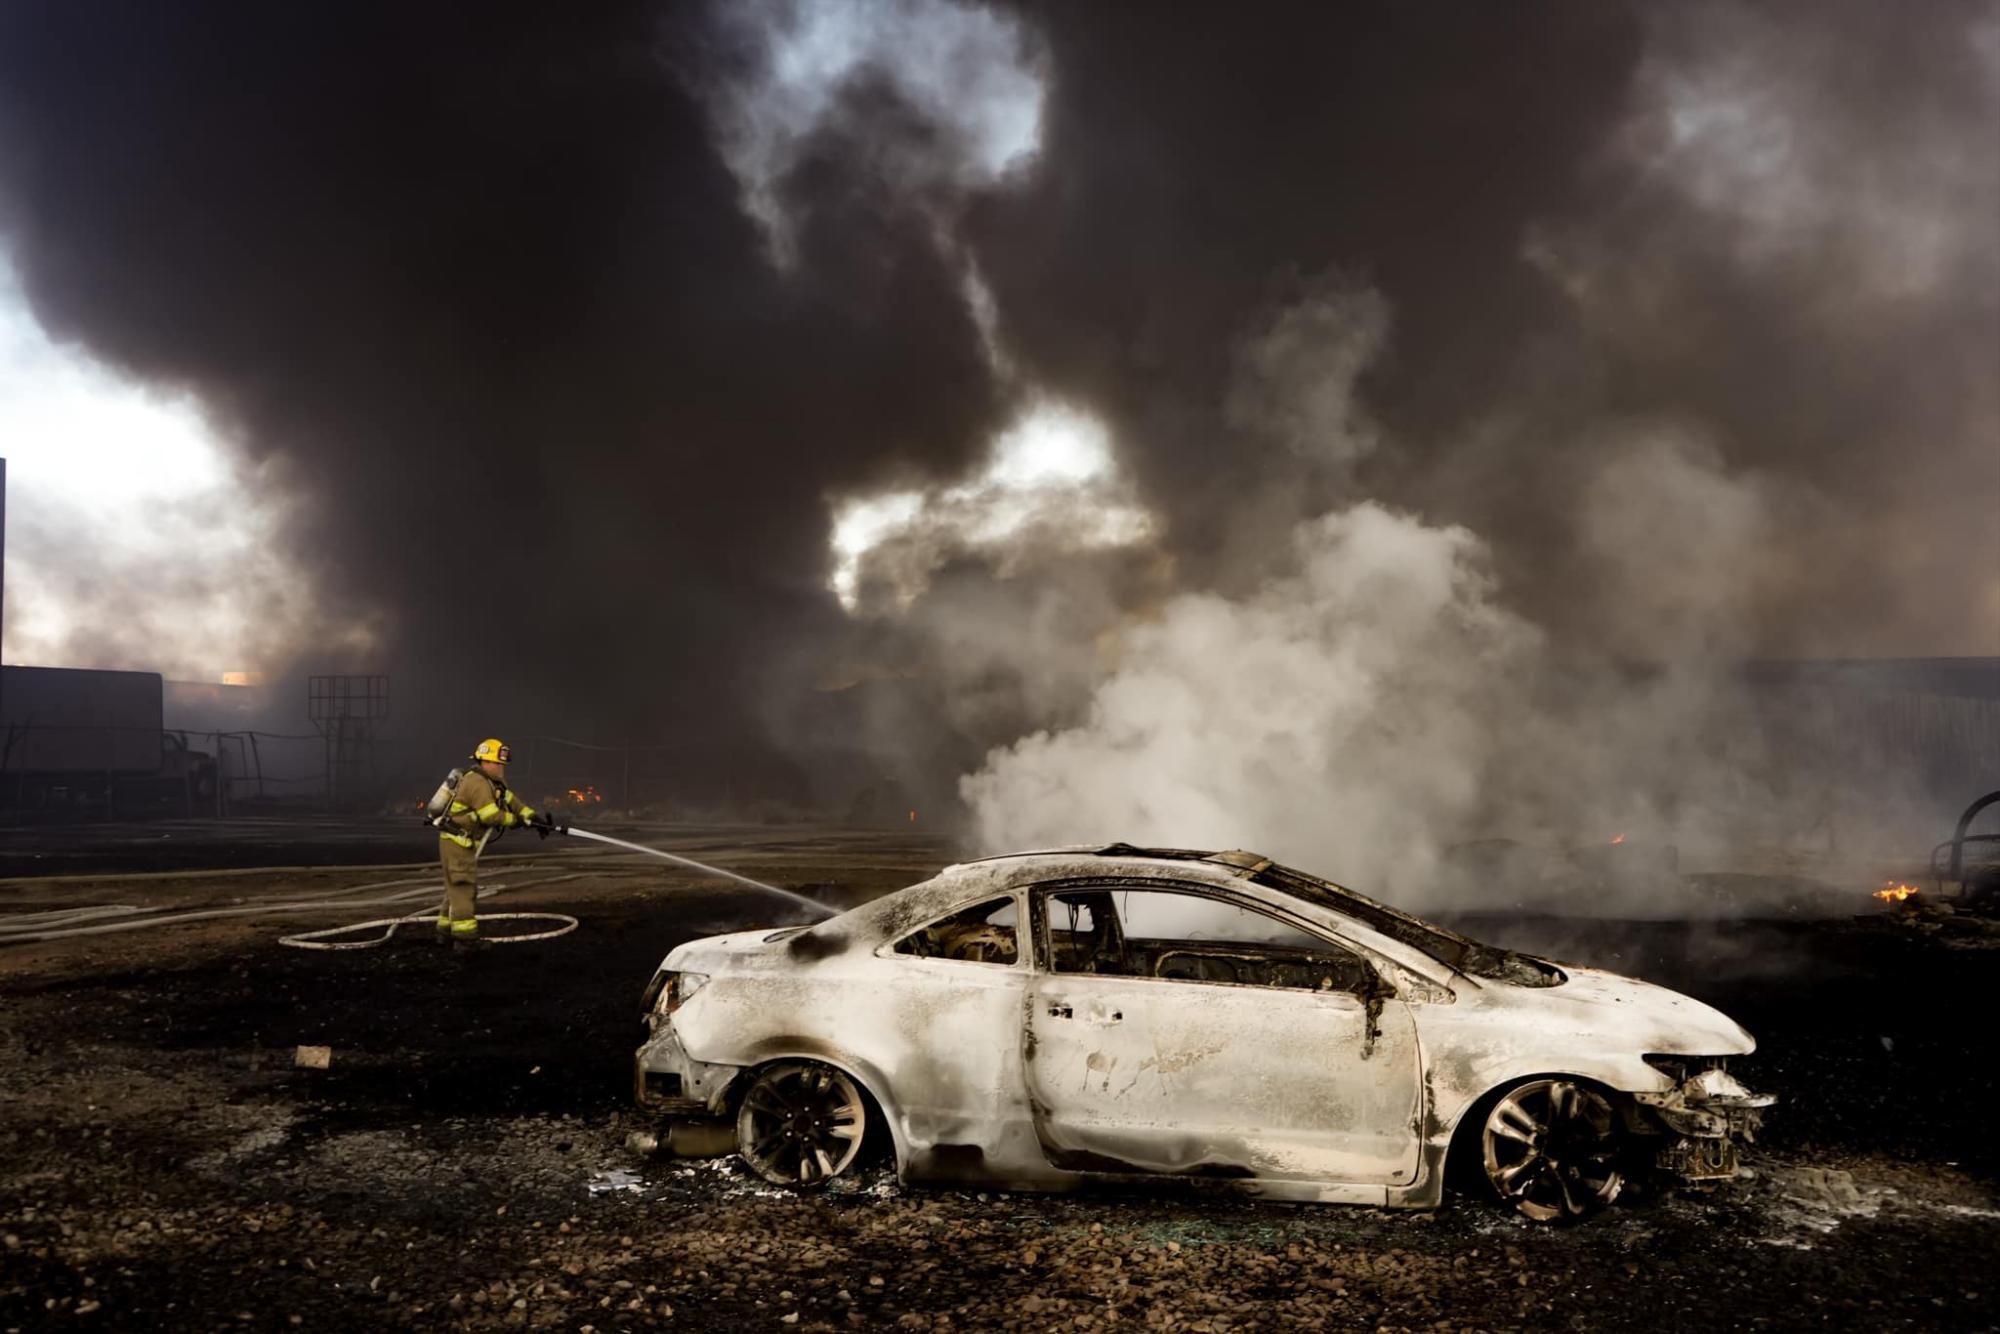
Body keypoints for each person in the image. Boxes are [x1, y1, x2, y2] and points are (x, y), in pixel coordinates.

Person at [437, 738, 543, 947]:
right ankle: (465, 940)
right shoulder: (476, 782)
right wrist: (516, 821)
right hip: (456, 842)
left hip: (460, 842)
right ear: (485, 761)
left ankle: (444, 931)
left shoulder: (491, 783)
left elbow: (511, 800)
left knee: (455, 888)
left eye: (503, 764)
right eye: (498, 763)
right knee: (463, 887)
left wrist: (534, 818)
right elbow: (491, 816)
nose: (502, 768)